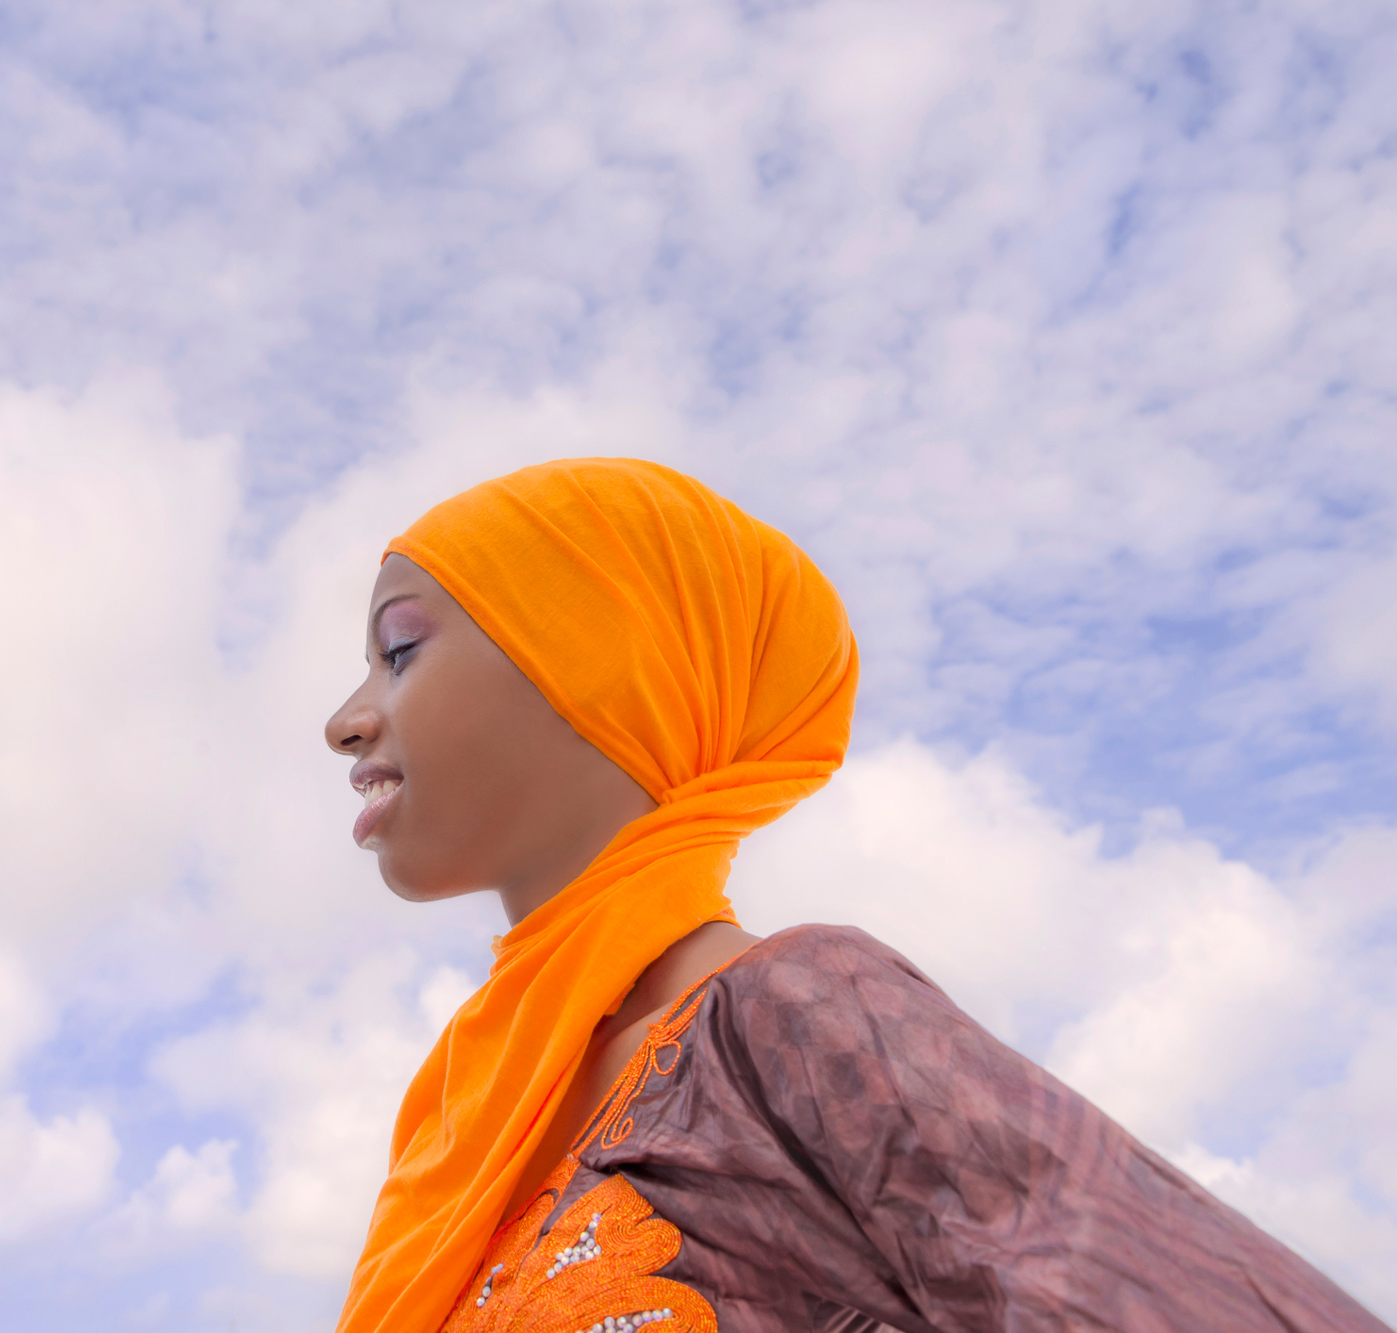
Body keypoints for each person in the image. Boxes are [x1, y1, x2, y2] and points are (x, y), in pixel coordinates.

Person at [322, 459, 1387, 1333]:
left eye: (400, 650)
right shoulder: (469, 1129)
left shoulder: (793, 1016)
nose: (346, 719)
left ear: (597, 663)